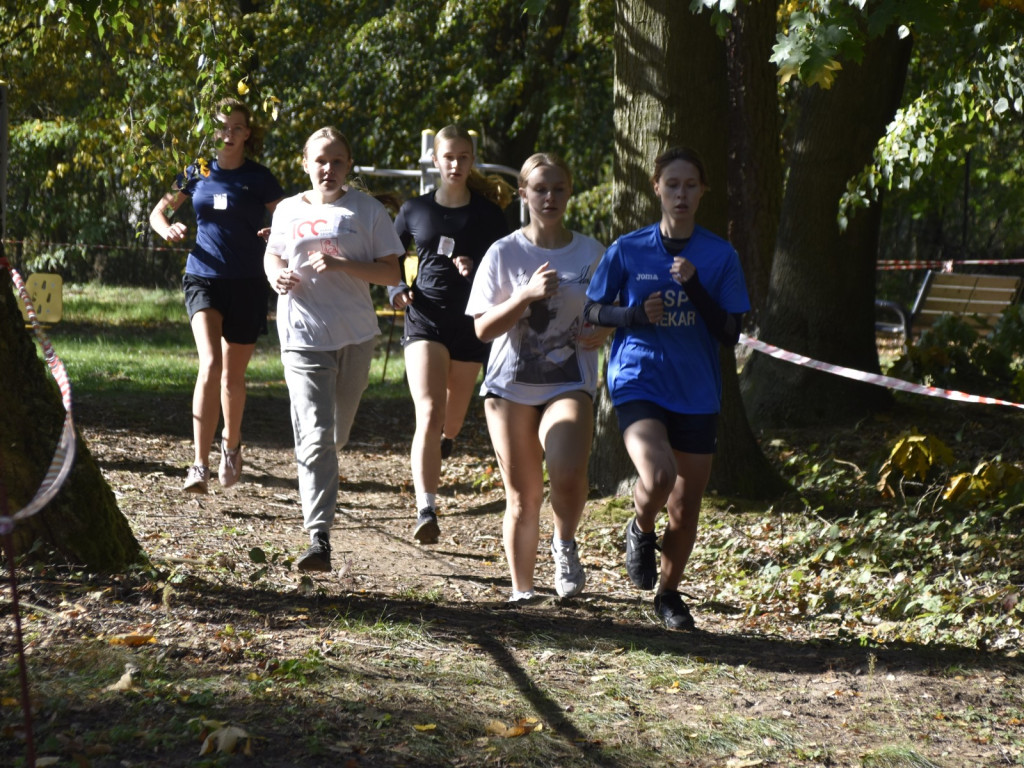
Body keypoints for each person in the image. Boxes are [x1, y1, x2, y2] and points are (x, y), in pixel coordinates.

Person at [584, 147, 750, 630]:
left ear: (702, 192)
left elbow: (730, 333)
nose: (681, 194)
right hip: (640, 378)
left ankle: (669, 594)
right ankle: (639, 528)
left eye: (690, 185)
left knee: (685, 503)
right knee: (657, 476)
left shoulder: (720, 256)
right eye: (672, 184)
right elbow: (593, 312)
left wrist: (695, 288)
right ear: (656, 188)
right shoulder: (628, 249)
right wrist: (635, 316)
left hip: (697, 388)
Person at [466, 153, 611, 604]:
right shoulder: (505, 252)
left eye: (558, 189)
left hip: (569, 382)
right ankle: (522, 593)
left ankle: (564, 541)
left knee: (567, 473)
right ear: (524, 194)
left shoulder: (591, 252)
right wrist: (525, 295)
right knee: (523, 496)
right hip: (509, 387)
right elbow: (482, 329)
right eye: (540, 189)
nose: (550, 197)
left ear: (569, 192)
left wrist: (605, 326)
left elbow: (611, 310)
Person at [264, 127, 403, 571]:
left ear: (348, 166)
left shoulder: (366, 209)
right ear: (305, 162)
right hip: (302, 335)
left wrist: (342, 263)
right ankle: (318, 535)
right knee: (316, 433)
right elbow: (274, 255)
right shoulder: (287, 209)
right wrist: (276, 276)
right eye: (320, 160)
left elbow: (390, 273)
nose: (328, 168)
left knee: (335, 434)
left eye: (337, 160)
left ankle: (320, 469)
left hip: (355, 335)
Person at [149, 98, 285, 494]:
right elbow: (160, 211)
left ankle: (231, 444)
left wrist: (275, 234)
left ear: (247, 133)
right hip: (202, 276)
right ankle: (198, 465)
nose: (228, 134)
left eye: (236, 127)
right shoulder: (196, 170)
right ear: (212, 130)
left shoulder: (260, 178)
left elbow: (286, 220)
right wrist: (167, 230)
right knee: (209, 364)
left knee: (233, 377)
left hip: (247, 281)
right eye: (222, 127)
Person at [390, 125, 511, 544]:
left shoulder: (489, 215)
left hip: (471, 324)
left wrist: (474, 269)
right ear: (436, 161)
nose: (456, 164)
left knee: (452, 418)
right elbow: (388, 256)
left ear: (472, 160)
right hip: (424, 318)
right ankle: (427, 508)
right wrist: (395, 289)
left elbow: (506, 270)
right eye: (448, 157)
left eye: (463, 156)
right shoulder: (413, 210)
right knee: (428, 409)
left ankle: (446, 441)